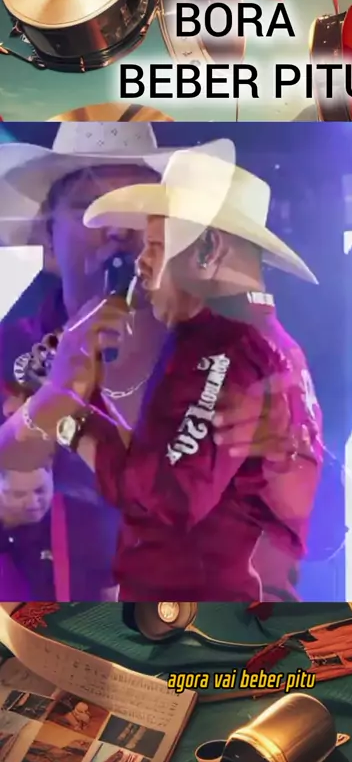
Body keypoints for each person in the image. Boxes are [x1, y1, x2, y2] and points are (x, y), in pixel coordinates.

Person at [3, 140, 324, 600]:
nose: (119, 230)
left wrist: (283, 457)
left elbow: (319, 526)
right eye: (90, 205)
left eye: (143, 211)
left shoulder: (236, 351)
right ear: (48, 236)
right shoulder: (9, 353)